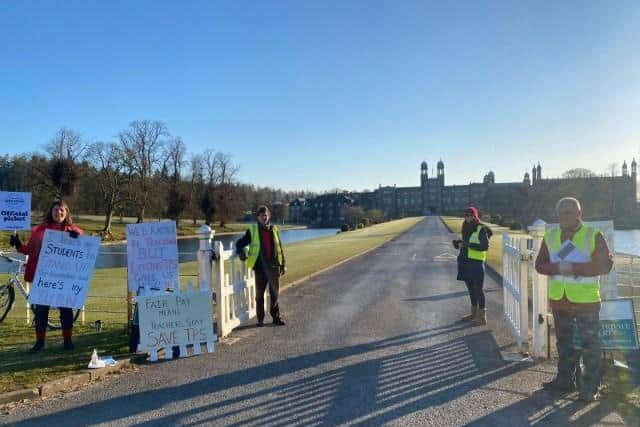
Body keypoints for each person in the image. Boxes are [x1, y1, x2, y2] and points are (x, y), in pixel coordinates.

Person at [535, 197, 613, 402]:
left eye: (569, 212)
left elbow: (606, 265)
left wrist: (576, 268)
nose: (565, 215)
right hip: (560, 300)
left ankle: (590, 387)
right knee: (564, 344)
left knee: (590, 345)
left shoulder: (593, 234)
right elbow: (540, 265)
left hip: (586, 301)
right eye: (561, 212)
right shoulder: (550, 235)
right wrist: (558, 268)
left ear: (580, 214)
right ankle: (565, 381)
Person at [10, 200, 83, 352]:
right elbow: (30, 250)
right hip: (43, 277)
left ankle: (68, 341)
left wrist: (78, 238)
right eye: (56, 210)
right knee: (42, 311)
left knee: (66, 311)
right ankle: (40, 342)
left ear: (66, 212)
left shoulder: (73, 230)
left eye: (62, 210)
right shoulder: (40, 230)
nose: (59, 213)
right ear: (51, 212)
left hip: (64, 277)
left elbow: (85, 248)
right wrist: (18, 244)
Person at [236, 206, 286, 327]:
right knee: (259, 295)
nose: (264, 218)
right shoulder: (252, 230)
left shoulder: (274, 229)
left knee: (275, 294)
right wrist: (241, 251)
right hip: (260, 268)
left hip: (274, 267)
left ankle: (276, 317)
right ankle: (260, 320)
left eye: (266, 215)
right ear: (257, 217)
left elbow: (280, 248)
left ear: (269, 216)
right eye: (261, 216)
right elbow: (240, 243)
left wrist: (283, 264)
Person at [453, 206, 493, 325]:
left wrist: (468, 245)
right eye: (466, 215)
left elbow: (484, 246)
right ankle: (473, 313)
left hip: (476, 262)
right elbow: (465, 243)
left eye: (470, 215)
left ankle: (482, 317)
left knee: (478, 289)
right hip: (465, 261)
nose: (468, 217)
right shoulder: (465, 227)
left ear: (475, 216)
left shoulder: (481, 228)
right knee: (470, 289)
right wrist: (457, 244)